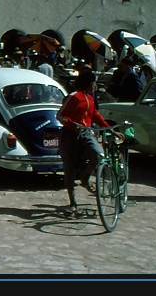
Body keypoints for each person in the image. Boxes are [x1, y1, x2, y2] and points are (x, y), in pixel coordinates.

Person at [55, 67, 111, 217]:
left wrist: (109, 129)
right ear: (88, 83)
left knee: (98, 154)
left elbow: (95, 116)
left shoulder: (90, 99)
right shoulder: (74, 97)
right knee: (69, 168)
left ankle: (85, 177)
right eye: (94, 83)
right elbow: (59, 116)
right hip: (70, 135)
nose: (95, 86)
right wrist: (72, 124)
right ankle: (72, 203)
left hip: (86, 133)